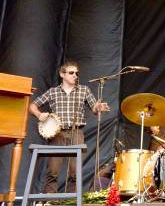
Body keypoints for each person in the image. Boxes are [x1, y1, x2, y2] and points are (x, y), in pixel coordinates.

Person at [29, 60, 109, 193]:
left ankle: (72, 201)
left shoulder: (84, 90)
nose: (75, 76)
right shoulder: (53, 92)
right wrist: (39, 115)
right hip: (57, 134)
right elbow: (32, 106)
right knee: (52, 171)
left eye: (76, 73)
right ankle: (48, 201)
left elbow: (94, 108)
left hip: (76, 132)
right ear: (62, 74)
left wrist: (99, 107)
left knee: (75, 172)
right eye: (71, 73)